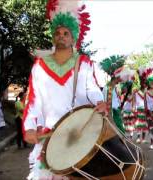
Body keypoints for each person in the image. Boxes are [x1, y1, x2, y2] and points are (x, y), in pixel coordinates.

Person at [23, 1, 107, 179]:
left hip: (79, 134)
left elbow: (92, 88)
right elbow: (33, 100)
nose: (61, 36)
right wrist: (30, 127)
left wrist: (99, 101)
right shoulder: (40, 65)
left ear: (73, 37)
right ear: (53, 36)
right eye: (58, 32)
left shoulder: (83, 62)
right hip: (49, 135)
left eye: (66, 33)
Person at [101, 55, 135, 134]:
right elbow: (108, 106)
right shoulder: (108, 88)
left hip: (116, 114)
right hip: (113, 116)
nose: (123, 77)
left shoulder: (114, 87)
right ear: (117, 76)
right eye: (122, 75)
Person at [143, 62, 153, 150]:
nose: (152, 83)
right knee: (151, 127)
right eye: (151, 82)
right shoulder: (146, 92)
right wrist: (148, 112)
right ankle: (151, 144)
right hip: (150, 112)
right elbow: (145, 103)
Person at [134, 68, 148, 143]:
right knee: (139, 124)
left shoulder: (147, 92)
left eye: (145, 82)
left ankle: (143, 138)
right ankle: (138, 137)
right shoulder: (136, 92)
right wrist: (135, 110)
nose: (144, 84)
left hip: (145, 110)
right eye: (142, 82)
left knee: (145, 124)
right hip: (139, 109)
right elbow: (135, 101)